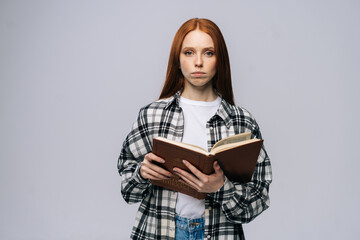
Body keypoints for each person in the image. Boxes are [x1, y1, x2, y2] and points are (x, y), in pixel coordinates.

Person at [117, 18, 272, 240]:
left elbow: (259, 199)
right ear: (177, 60)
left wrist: (221, 188)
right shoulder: (151, 116)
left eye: (208, 53)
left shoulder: (242, 122)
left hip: (220, 233)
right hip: (159, 232)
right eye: (189, 52)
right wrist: (142, 173)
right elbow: (127, 191)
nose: (198, 62)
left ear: (220, 60)